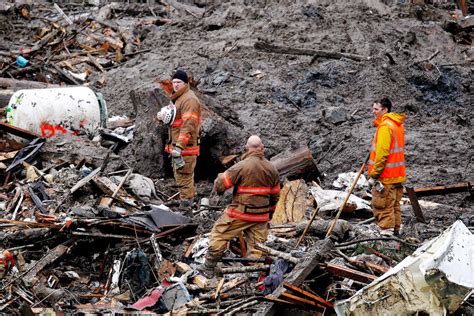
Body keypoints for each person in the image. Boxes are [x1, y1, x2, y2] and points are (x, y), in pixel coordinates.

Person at [199, 136, 280, 278]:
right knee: (257, 246)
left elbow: (221, 185)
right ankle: (253, 276)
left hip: (240, 213)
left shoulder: (241, 166)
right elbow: (275, 196)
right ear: (262, 148)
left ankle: (208, 267)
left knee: (219, 234)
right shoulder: (272, 169)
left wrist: (219, 178)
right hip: (261, 216)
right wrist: (269, 215)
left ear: (247, 148)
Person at [367, 97, 406, 236]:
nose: (373, 112)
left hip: (385, 176)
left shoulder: (385, 127)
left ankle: (386, 233)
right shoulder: (396, 125)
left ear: (385, 110)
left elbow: (382, 154)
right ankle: (396, 231)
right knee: (394, 205)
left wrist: (374, 175)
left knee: (383, 205)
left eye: (376, 109)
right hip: (397, 176)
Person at [165, 69, 202, 210]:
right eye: (173, 82)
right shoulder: (179, 98)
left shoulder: (189, 100)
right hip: (179, 149)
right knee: (183, 180)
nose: (175, 85)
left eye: (178, 82)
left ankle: (186, 211)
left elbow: (188, 125)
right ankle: (188, 206)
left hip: (184, 150)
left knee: (184, 180)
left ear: (186, 83)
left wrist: (179, 147)